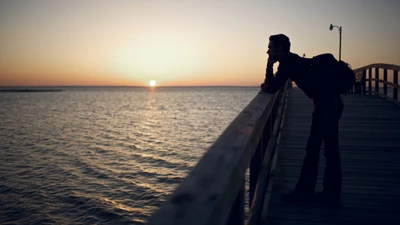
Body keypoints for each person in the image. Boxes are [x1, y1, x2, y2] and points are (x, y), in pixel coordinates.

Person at [260, 34, 343, 207]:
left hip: (327, 106)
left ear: (280, 48)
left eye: (271, 47)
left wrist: (268, 68)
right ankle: (328, 194)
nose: (268, 50)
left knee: (318, 150)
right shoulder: (291, 60)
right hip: (328, 104)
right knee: (324, 150)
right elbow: (273, 84)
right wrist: (269, 67)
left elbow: (272, 87)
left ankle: (310, 193)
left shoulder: (288, 63)